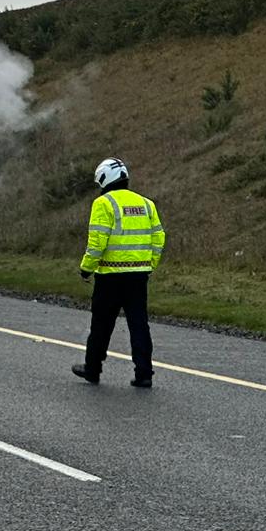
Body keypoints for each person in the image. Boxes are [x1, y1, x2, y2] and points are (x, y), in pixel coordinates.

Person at [72, 158, 166, 388]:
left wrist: (87, 268)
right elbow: (159, 237)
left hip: (110, 276)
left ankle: (93, 369)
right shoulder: (146, 203)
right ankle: (144, 373)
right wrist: (150, 264)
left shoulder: (103, 203)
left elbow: (97, 241)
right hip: (139, 276)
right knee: (139, 325)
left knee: (101, 325)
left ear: (105, 179)